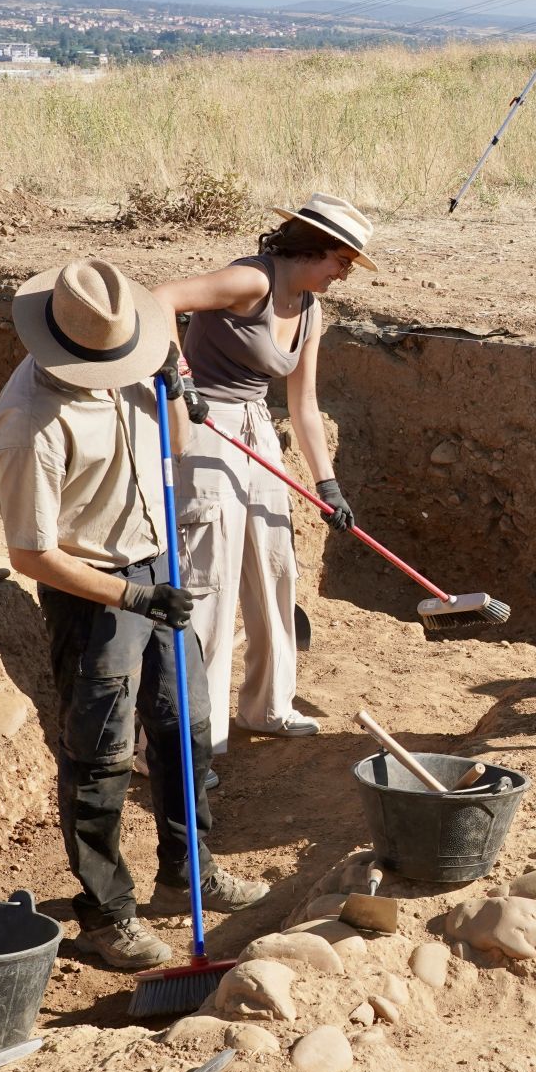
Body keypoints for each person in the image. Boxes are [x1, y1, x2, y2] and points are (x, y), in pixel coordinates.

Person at [0, 258, 268, 971]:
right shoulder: (28, 424)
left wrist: (175, 391)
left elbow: (171, 449)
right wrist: (133, 597)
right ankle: (106, 915)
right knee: (101, 756)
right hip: (90, 594)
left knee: (186, 727)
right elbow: (32, 555)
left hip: (155, 561)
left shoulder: (127, 363)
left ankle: (189, 869)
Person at [150, 193, 376, 759]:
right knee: (210, 578)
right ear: (313, 249)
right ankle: (189, 740)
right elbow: (161, 299)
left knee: (275, 566)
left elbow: (303, 405)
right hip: (204, 424)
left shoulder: (312, 309)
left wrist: (328, 485)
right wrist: (180, 376)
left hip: (257, 427)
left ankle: (268, 706)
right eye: (341, 262)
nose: (343, 275)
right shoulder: (250, 282)